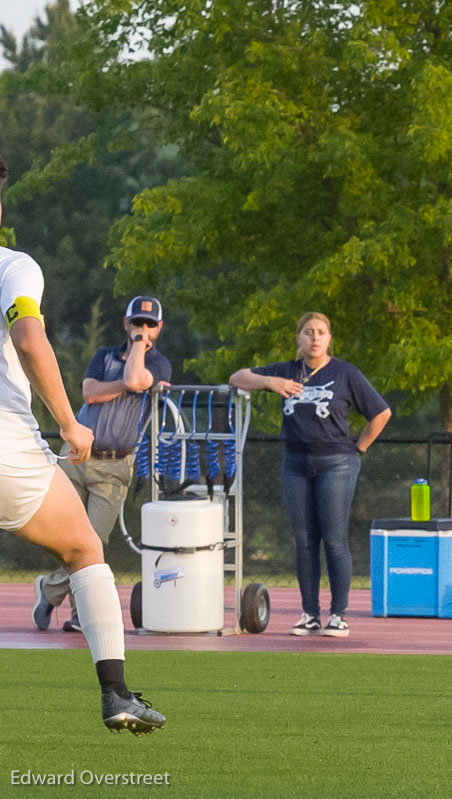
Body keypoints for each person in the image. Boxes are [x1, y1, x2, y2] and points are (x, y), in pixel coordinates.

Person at [0, 155, 165, 734]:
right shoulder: (12, 265)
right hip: (5, 448)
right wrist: (70, 423)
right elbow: (27, 334)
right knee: (83, 550)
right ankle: (116, 694)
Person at [229, 312, 391, 638]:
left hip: (336, 463)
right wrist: (268, 382)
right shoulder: (286, 371)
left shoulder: (345, 373)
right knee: (304, 542)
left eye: (321, 332)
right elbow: (237, 377)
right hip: (295, 463)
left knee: (333, 539)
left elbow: (381, 412)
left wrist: (358, 451)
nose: (314, 337)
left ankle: (339, 615)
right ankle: (309, 614)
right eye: (308, 332)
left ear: (329, 338)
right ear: (299, 338)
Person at [32, 296, 171, 632]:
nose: (142, 329)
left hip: (114, 464)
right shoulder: (104, 356)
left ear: (159, 328)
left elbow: (139, 378)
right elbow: (91, 392)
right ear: (126, 323)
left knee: (93, 540)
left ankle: (50, 592)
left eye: (149, 324)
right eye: (137, 323)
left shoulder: (160, 363)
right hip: (77, 456)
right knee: (63, 536)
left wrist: (138, 352)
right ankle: (81, 613)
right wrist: (127, 384)